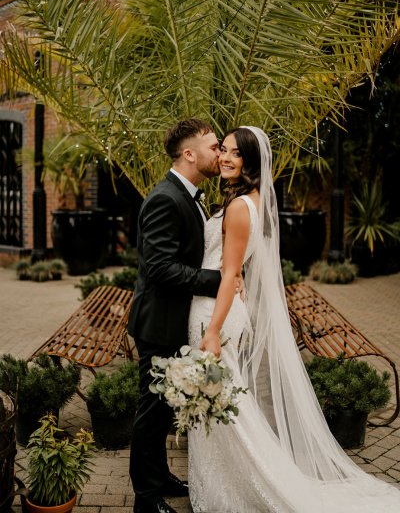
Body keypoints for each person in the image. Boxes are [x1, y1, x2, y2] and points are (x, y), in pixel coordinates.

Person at [188, 126, 400, 512]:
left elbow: (231, 273)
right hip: (220, 306)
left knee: (230, 411)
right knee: (227, 406)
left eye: (236, 154)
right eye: (225, 151)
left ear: (251, 162)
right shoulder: (251, 201)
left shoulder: (238, 207)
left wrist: (214, 331)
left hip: (214, 314)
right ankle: (228, 479)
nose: (225, 158)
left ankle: (255, 486)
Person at [129, 118, 235, 513]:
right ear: (189, 154)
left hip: (174, 319)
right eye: (213, 147)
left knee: (163, 409)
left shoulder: (190, 194)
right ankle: (146, 498)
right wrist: (217, 280)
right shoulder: (164, 198)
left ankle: (159, 477)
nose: (219, 154)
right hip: (158, 323)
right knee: (151, 411)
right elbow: (160, 268)